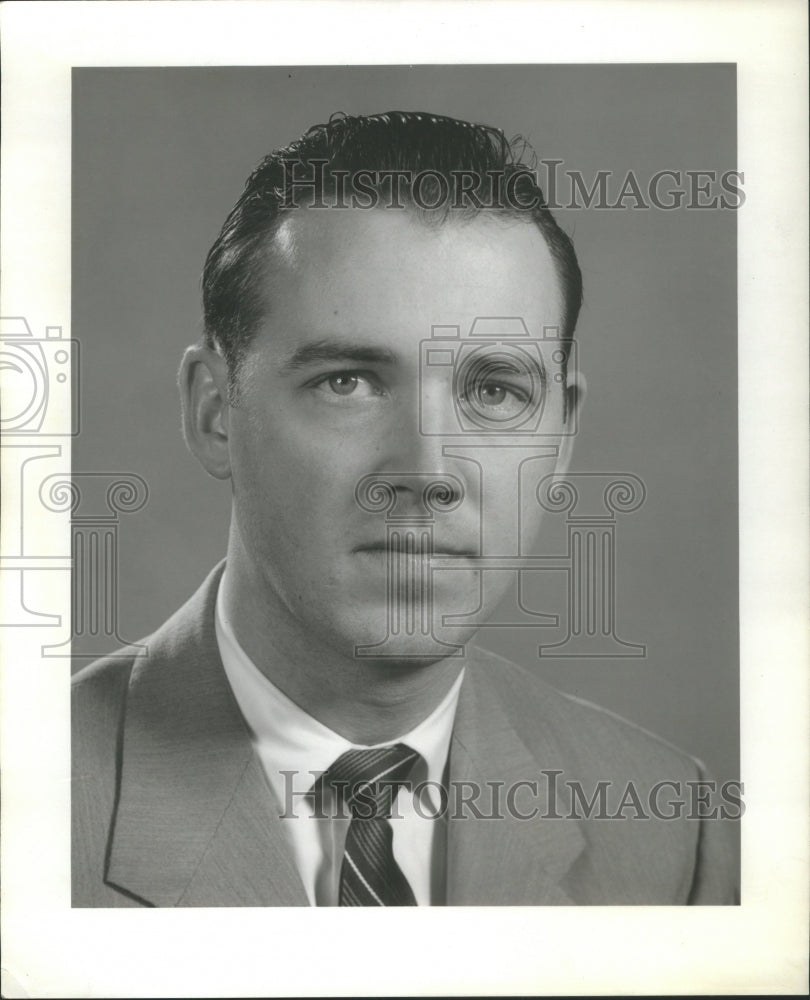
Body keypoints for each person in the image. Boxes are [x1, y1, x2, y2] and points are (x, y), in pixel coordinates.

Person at [72, 111, 737, 907]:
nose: (427, 472)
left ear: (562, 436)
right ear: (215, 413)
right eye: (347, 381)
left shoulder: (671, 834)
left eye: (495, 390)